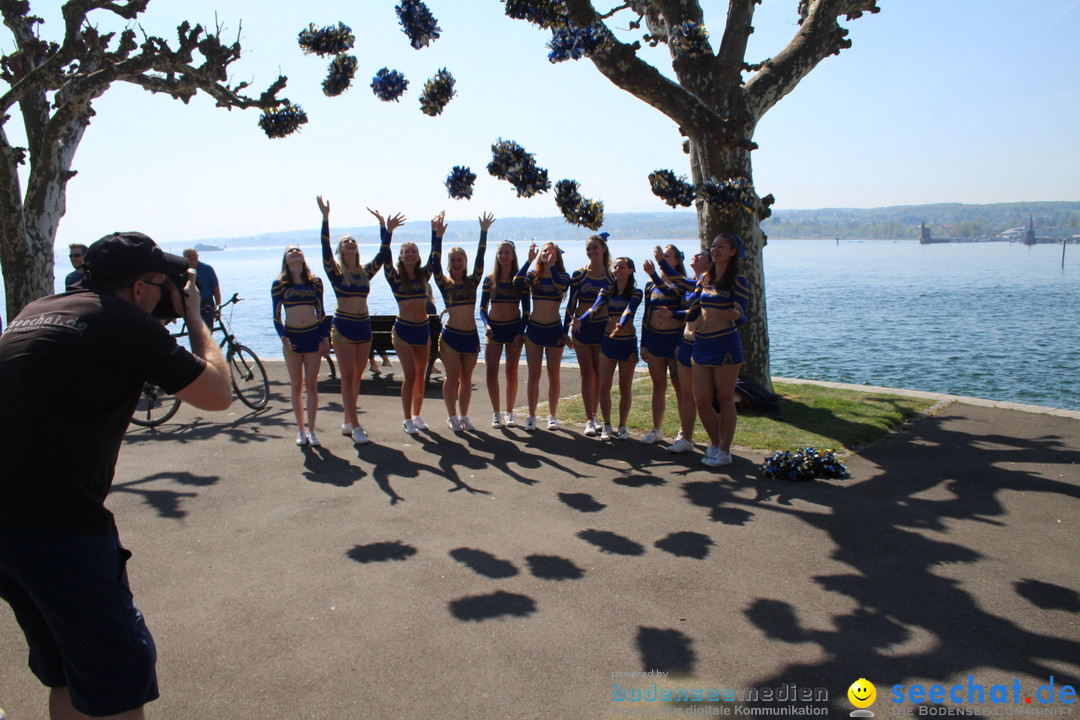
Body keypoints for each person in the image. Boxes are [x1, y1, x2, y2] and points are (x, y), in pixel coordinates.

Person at [0, 231, 231, 719]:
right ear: (141, 288)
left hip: (9, 527)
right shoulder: (123, 319)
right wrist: (194, 317)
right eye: (163, 284)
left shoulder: (37, 308)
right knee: (118, 679)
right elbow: (216, 393)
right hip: (57, 525)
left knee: (68, 667)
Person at [317, 196, 395, 445]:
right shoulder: (335, 272)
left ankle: (348, 420)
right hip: (343, 328)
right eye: (345, 242)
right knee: (348, 375)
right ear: (341, 250)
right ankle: (356, 425)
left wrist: (385, 229)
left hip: (364, 327)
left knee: (356, 377)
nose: (350, 243)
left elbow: (383, 256)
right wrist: (325, 218)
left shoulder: (364, 273)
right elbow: (324, 246)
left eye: (353, 241)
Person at [687, 233, 749, 467]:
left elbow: (743, 316)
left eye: (721, 246)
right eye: (713, 246)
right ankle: (714, 443)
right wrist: (673, 315)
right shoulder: (703, 278)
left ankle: (725, 450)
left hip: (725, 344)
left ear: (732, 252)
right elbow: (692, 308)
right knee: (701, 400)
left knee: (725, 398)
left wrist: (737, 315)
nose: (715, 250)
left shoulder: (738, 281)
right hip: (701, 343)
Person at [430, 212, 493, 431]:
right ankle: (451, 416)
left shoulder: (473, 281)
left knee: (467, 378)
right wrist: (436, 236)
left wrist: (483, 232)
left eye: (460, 259)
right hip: (451, 337)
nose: (456, 263)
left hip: (470, 337)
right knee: (452, 377)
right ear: (449, 264)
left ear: (464, 262)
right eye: (453, 260)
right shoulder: (444, 284)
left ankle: (464, 415)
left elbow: (481, 258)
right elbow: (434, 263)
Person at [377, 209, 438, 434]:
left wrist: (435, 233)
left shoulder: (424, 276)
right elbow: (384, 257)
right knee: (410, 374)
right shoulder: (394, 277)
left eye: (414, 252)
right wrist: (387, 231)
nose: (411, 254)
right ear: (401, 256)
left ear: (418, 256)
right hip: (403, 331)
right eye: (406, 252)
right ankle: (406, 418)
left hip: (422, 330)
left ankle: (418, 414)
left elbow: (435, 256)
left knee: (421, 374)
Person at [573, 257, 643, 440]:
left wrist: (620, 324)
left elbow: (629, 309)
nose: (618, 270)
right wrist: (582, 319)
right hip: (608, 342)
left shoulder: (636, 292)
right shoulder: (606, 291)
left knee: (624, 386)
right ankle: (606, 425)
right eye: (616, 267)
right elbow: (595, 308)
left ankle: (622, 426)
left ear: (630, 270)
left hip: (627, 342)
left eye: (622, 267)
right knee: (604, 386)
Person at [272, 244, 330, 446]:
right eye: (290, 251)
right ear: (286, 259)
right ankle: (301, 430)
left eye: (298, 250)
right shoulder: (279, 284)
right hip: (292, 339)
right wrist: (282, 336)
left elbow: (321, 313)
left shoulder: (315, 282)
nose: (295, 253)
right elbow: (276, 315)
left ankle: (313, 430)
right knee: (296, 386)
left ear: (304, 257)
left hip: (312, 337)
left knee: (311, 385)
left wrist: (325, 338)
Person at [518, 241, 570, 431]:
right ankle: (531, 416)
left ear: (557, 256)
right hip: (534, 329)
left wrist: (552, 266)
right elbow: (517, 281)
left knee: (553, 374)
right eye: (545, 251)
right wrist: (528, 260)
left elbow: (562, 287)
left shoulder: (563, 275)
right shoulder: (533, 275)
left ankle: (552, 415)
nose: (547, 253)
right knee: (534, 374)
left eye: (552, 251)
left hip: (554, 330)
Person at [640, 245, 689, 446]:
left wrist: (681, 344)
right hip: (655, 341)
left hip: (674, 342)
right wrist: (643, 344)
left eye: (666, 256)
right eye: (660, 256)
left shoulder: (683, 285)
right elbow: (646, 315)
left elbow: (672, 297)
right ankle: (657, 429)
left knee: (680, 389)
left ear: (677, 261)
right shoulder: (650, 285)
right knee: (658, 386)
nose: (661, 259)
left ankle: (683, 431)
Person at [565, 233, 612, 437]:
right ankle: (589, 419)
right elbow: (570, 304)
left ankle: (598, 416)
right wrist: (564, 331)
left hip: (603, 328)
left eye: (595, 247)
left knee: (600, 374)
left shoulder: (612, 276)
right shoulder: (579, 275)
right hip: (581, 329)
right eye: (588, 249)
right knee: (586, 373)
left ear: (603, 249)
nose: (592, 252)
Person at [480, 239, 529, 428]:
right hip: (493, 331)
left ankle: (510, 412)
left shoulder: (521, 281)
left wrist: (520, 333)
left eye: (507, 252)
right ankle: (496, 412)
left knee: (511, 371)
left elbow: (526, 311)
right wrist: (485, 325)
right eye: (500, 253)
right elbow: (482, 308)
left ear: (513, 255)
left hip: (513, 330)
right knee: (491, 371)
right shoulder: (489, 279)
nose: (503, 256)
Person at [182, 247, 221, 328]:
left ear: (197, 255)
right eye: (188, 256)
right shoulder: (182, 271)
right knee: (194, 331)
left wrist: (218, 307)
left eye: (193, 255)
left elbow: (216, 290)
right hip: (190, 305)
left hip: (207, 304)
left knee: (207, 330)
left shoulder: (207, 269)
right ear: (184, 258)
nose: (192, 257)